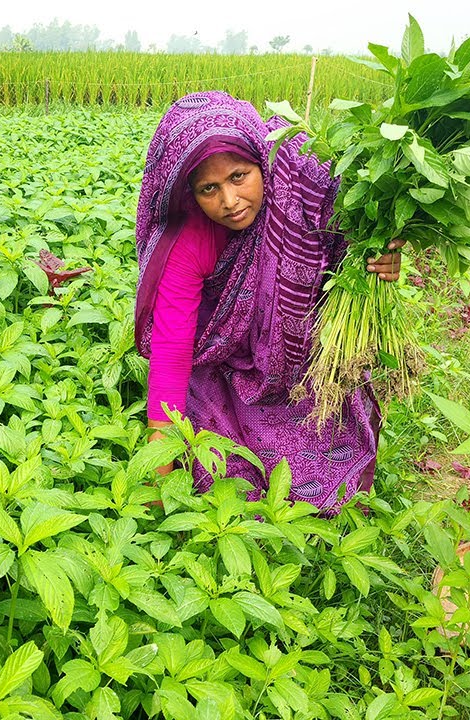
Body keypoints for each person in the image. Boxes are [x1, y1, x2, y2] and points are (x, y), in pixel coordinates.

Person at [134, 91, 403, 514]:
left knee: (325, 458)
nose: (229, 201)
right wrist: (157, 478)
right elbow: (171, 354)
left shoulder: (302, 190)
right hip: (226, 368)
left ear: (262, 161)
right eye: (209, 189)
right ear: (190, 193)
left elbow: (355, 241)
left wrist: (382, 256)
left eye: (239, 176)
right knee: (228, 477)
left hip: (303, 361)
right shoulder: (188, 242)